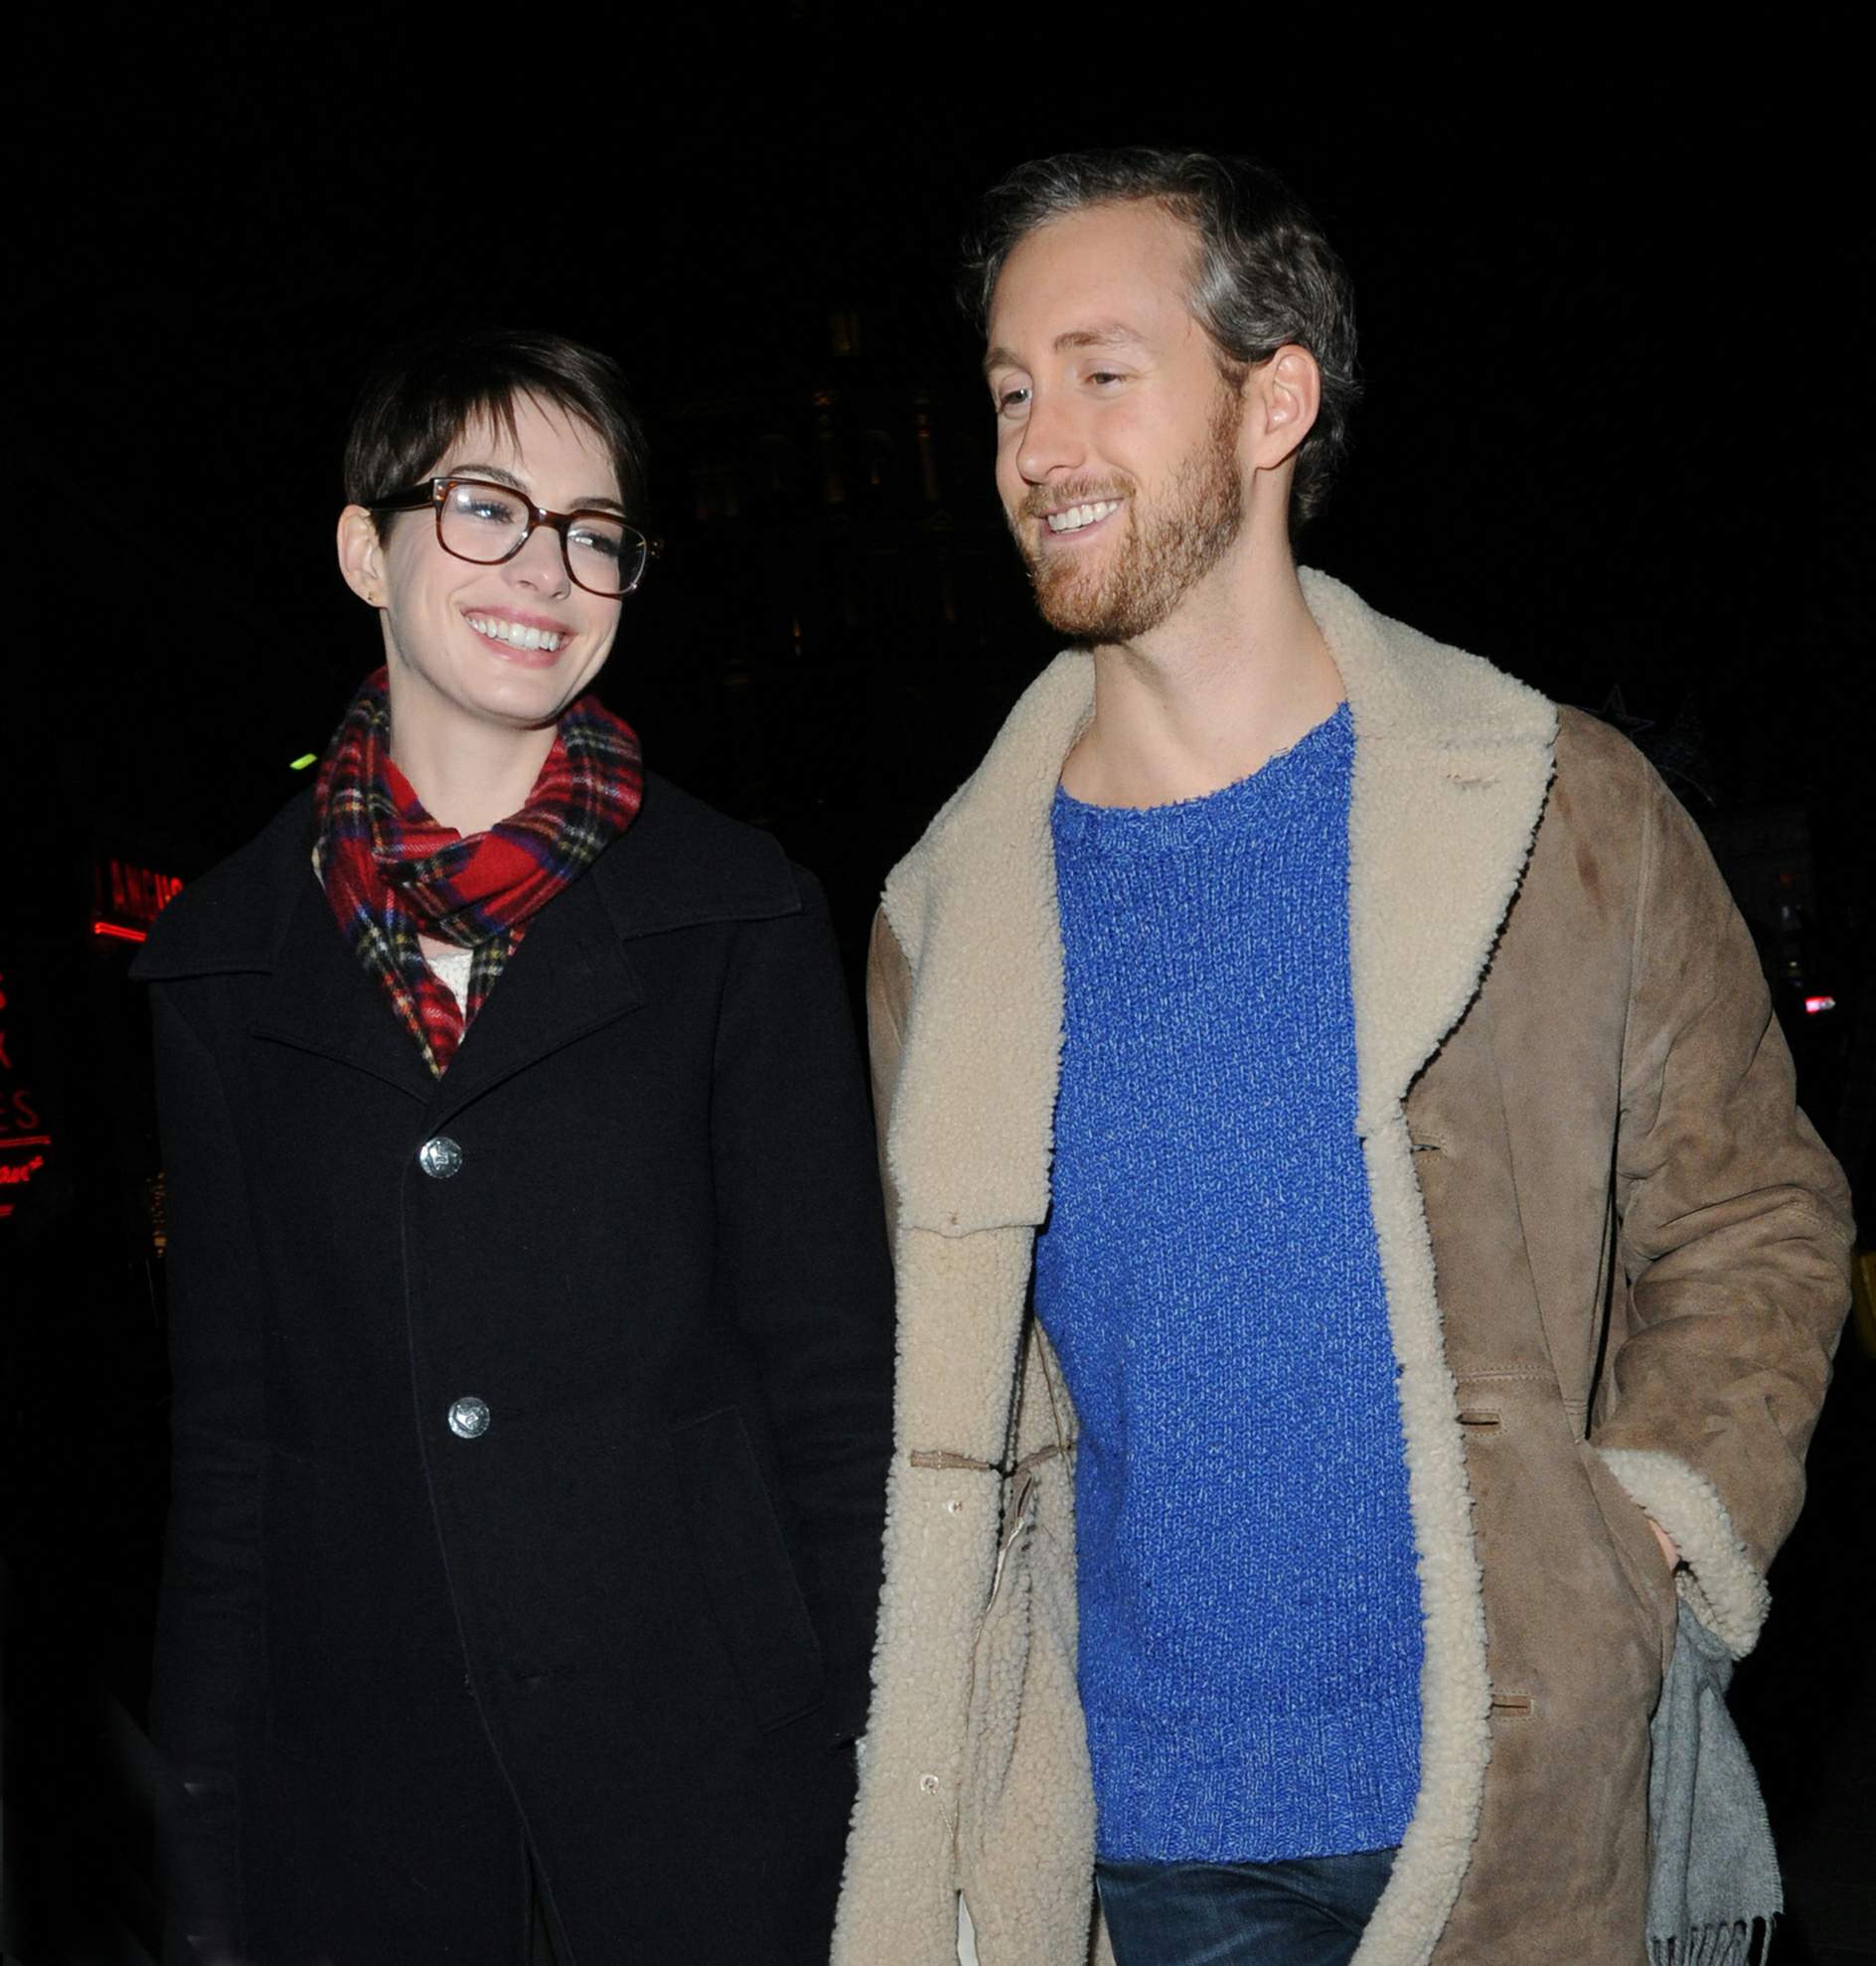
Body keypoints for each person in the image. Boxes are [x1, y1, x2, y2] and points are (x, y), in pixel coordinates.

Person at [833, 151, 1854, 1966]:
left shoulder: (1563, 813)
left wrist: (1658, 1538)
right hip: (1146, 1846)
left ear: (1273, 396)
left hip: (1515, 1796)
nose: (1036, 445)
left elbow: (1758, 1215)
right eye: (1008, 391)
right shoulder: (947, 922)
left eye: (1100, 371)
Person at [135, 328, 893, 1965]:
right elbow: (233, 1446)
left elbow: (834, 1396)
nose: (545, 569)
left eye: (592, 530)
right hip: (370, 1820)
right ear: (366, 545)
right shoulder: (218, 961)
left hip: (719, 1799)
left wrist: (883, 1779)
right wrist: (206, 1841)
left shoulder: (739, 915)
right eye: (485, 507)